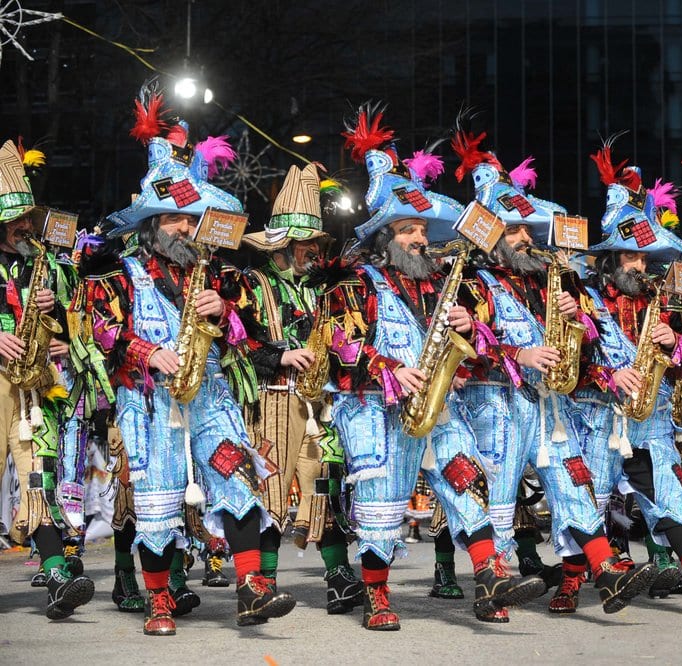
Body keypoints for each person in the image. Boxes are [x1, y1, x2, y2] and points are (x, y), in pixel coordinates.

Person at [324, 106, 545, 630]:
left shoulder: (442, 282)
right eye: (407, 228)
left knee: (468, 481)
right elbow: (340, 343)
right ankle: (377, 597)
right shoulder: (353, 285)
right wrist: (389, 368)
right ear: (384, 238)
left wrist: (470, 325)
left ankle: (490, 574)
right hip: (374, 408)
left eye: (422, 227)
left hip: (438, 404)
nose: (420, 237)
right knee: (380, 508)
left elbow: (484, 343)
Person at [82, 92, 295, 634]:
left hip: (212, 395)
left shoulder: (218, 275)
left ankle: (251, 588)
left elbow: (249, 339)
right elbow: (98, 329)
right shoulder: (121, 274)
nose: (184, 227)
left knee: (238, 481)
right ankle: (159, 602)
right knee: (155, 503)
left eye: (191, 217)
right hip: (150, 401)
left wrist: (225, 313)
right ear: (151, 224)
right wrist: (147, 351)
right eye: (173, 217)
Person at [450, 127, 656, 615]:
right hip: (491, 399)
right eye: (515, 230)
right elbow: (455, 341)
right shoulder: (470, 280)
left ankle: (604, 572)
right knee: (497, 497)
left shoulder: (541, 282)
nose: (526, 237)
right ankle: (490, 586)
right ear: (490, 233)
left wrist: (575, 317)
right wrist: (517, 354)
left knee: (574, 481)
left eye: (527, 229)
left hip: (549, 405)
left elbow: (583, 344)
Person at [575, 140, 682, 611]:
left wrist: (676, 345)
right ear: (610, 259)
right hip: (597, 419)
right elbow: (568, 367)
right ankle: (575, 584)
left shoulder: (661, 301)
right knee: (587, 495)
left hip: (651, 419)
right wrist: (609, 376)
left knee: (670, 491)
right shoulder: (585, 299)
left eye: (645, 259)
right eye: (631, 258)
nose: (640, 266)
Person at [242, 164, 362, 614]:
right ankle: (261, 584)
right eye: (306, 243)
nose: (314, 250)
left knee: (325, 488)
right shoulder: (251, 285)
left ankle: (338, 578)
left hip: (324, 400)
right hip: (273, 398)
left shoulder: (326, 288)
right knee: (269, 489)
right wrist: (280, 355)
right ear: (285, 245)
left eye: (316, 243)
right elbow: (238, 343)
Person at [0, 139, 94, 619]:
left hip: (36, 386)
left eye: (27, 218)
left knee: (38, 477)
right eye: (14, 220)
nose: (24, 227)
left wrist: (56, 315)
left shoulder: (46, 263)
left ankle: (57, 573)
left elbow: (79, 319)